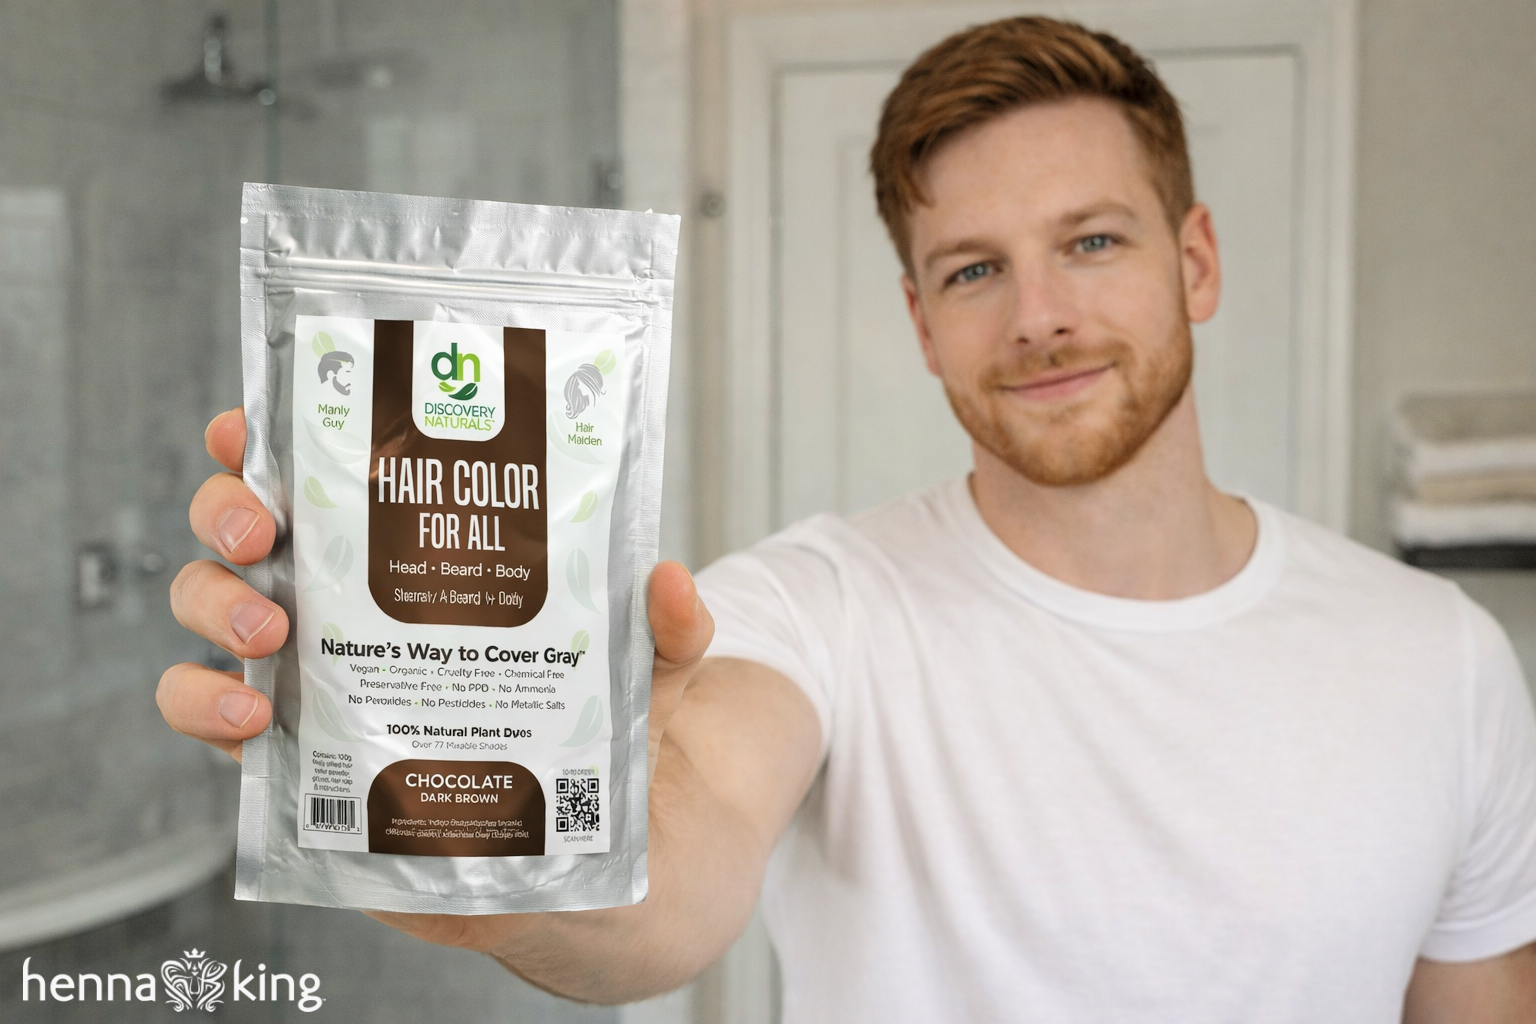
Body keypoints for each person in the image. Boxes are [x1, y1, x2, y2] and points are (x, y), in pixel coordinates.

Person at [157, 16, 1536, 1022]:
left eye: (1095, 242)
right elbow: (666, 891)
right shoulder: (820, 609)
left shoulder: (1442, 657)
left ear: (1198, 261)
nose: (1041, 311)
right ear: (922, 323)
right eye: (974, 267)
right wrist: (450, 805)